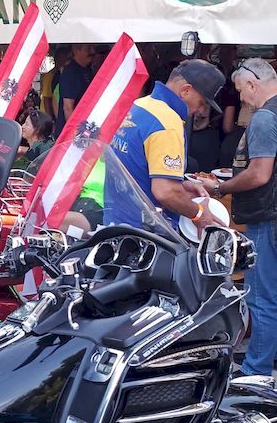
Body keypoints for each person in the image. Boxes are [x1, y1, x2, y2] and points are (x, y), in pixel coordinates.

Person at [206, 58, 277, 381]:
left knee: (262, 297)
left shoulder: (264, 117)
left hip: (268, 216)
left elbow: (259, 174)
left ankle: (255, 372)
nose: (242, 99)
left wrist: (220, 188)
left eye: (240, 91)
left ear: (252, 84)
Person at [110, 59, 225, 230]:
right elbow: (165, 192)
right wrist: (199, 213)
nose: (201, 110)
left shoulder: (138, 105)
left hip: (115, 218)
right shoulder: (167, 123)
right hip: (146, 231)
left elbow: (138, 170)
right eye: (202, 103)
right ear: (186, 91)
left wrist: (180, 185)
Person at [55, 43, 95, 136]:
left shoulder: (87, 71)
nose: (93, 51)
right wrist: (76, 135)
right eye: (88, 48)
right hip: (71, 135)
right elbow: (68, 108)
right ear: (76, 50)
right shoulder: (71, 73)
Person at [39, 46, 71, 121]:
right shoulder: (50, 75)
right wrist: (51, 120)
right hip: (47, 115)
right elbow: (46, 98)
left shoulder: (60, 74)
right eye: (67, 58)